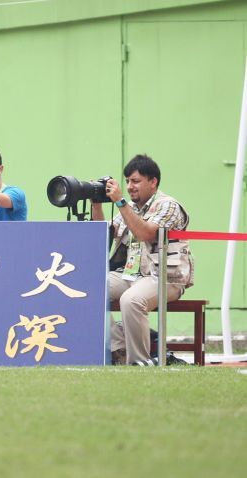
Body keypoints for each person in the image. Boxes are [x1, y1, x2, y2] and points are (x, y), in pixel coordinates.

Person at [91, 154, 194, 365]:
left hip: (165, 277)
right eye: (127, 181)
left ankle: (138, 363)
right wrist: (97, 205)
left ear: (153, 181)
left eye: (135, 181)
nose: (130, 187)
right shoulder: (130, 207)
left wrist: (120, 202)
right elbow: (103, 236)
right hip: (129, 274)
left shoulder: (168, 206)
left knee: (131, 300)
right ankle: (119, 350)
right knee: (88, 289)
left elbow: (145, 233)